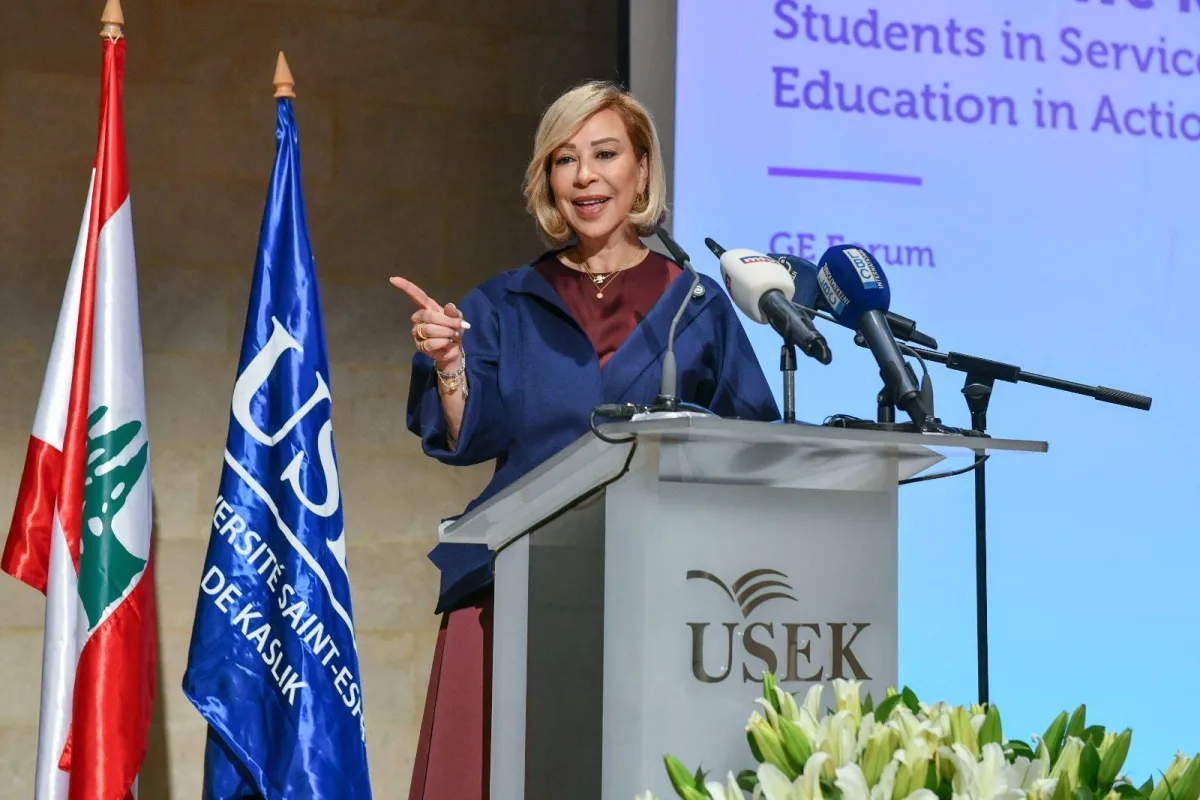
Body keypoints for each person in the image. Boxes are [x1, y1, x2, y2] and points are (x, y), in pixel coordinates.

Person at [393, 80, 780, 799]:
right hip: (514, 589)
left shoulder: (694, 304)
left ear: (642, 170)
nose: (584, 176)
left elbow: (753, 446)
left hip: (664, 598)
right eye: (565, 159)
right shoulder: (507, 301)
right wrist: (449, 364)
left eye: (605, 154)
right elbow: (467, 434)